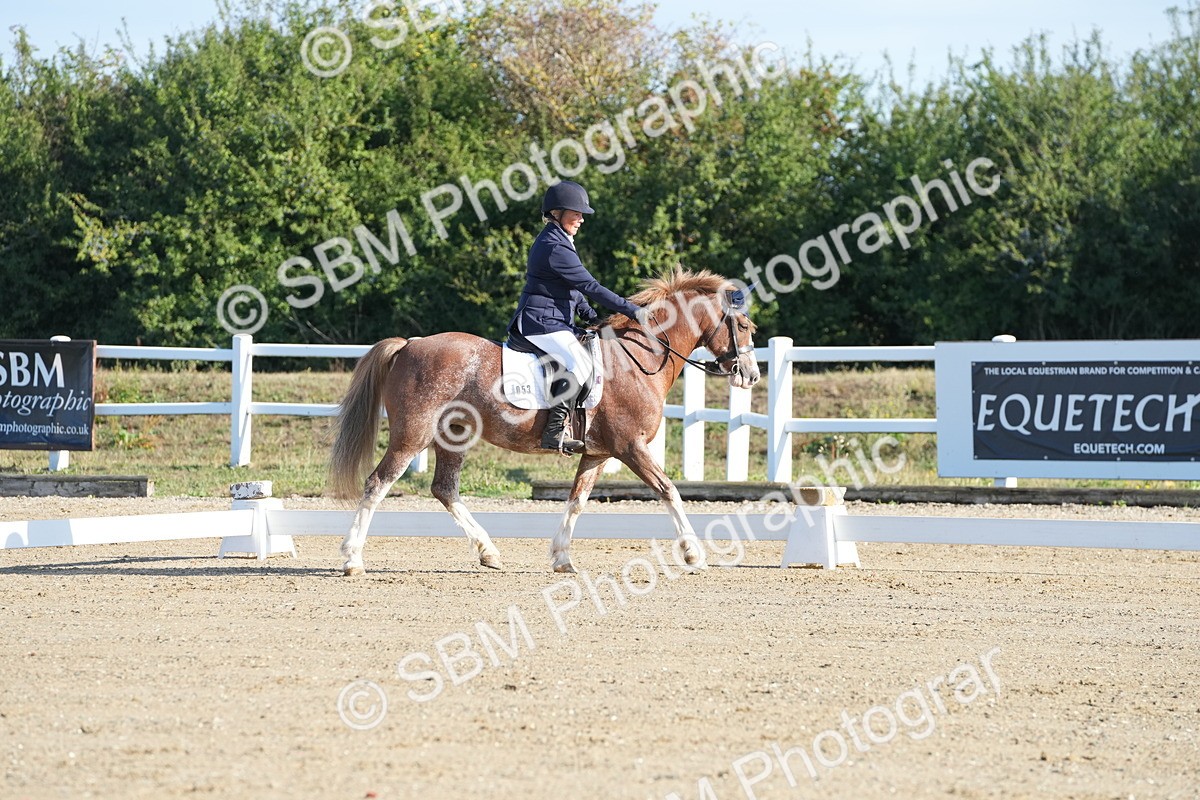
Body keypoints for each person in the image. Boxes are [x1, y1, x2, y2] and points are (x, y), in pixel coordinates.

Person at [508, 180, 644, 454]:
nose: (582, 219)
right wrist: (634, 311)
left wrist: (591, 315)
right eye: (577, 213)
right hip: (540, 322)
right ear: (557, 212)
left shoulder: (558, 240)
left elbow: (570, 289)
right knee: (580, 364)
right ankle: (554, 431)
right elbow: (590, 286)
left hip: (553, 320)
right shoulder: (555, 246)